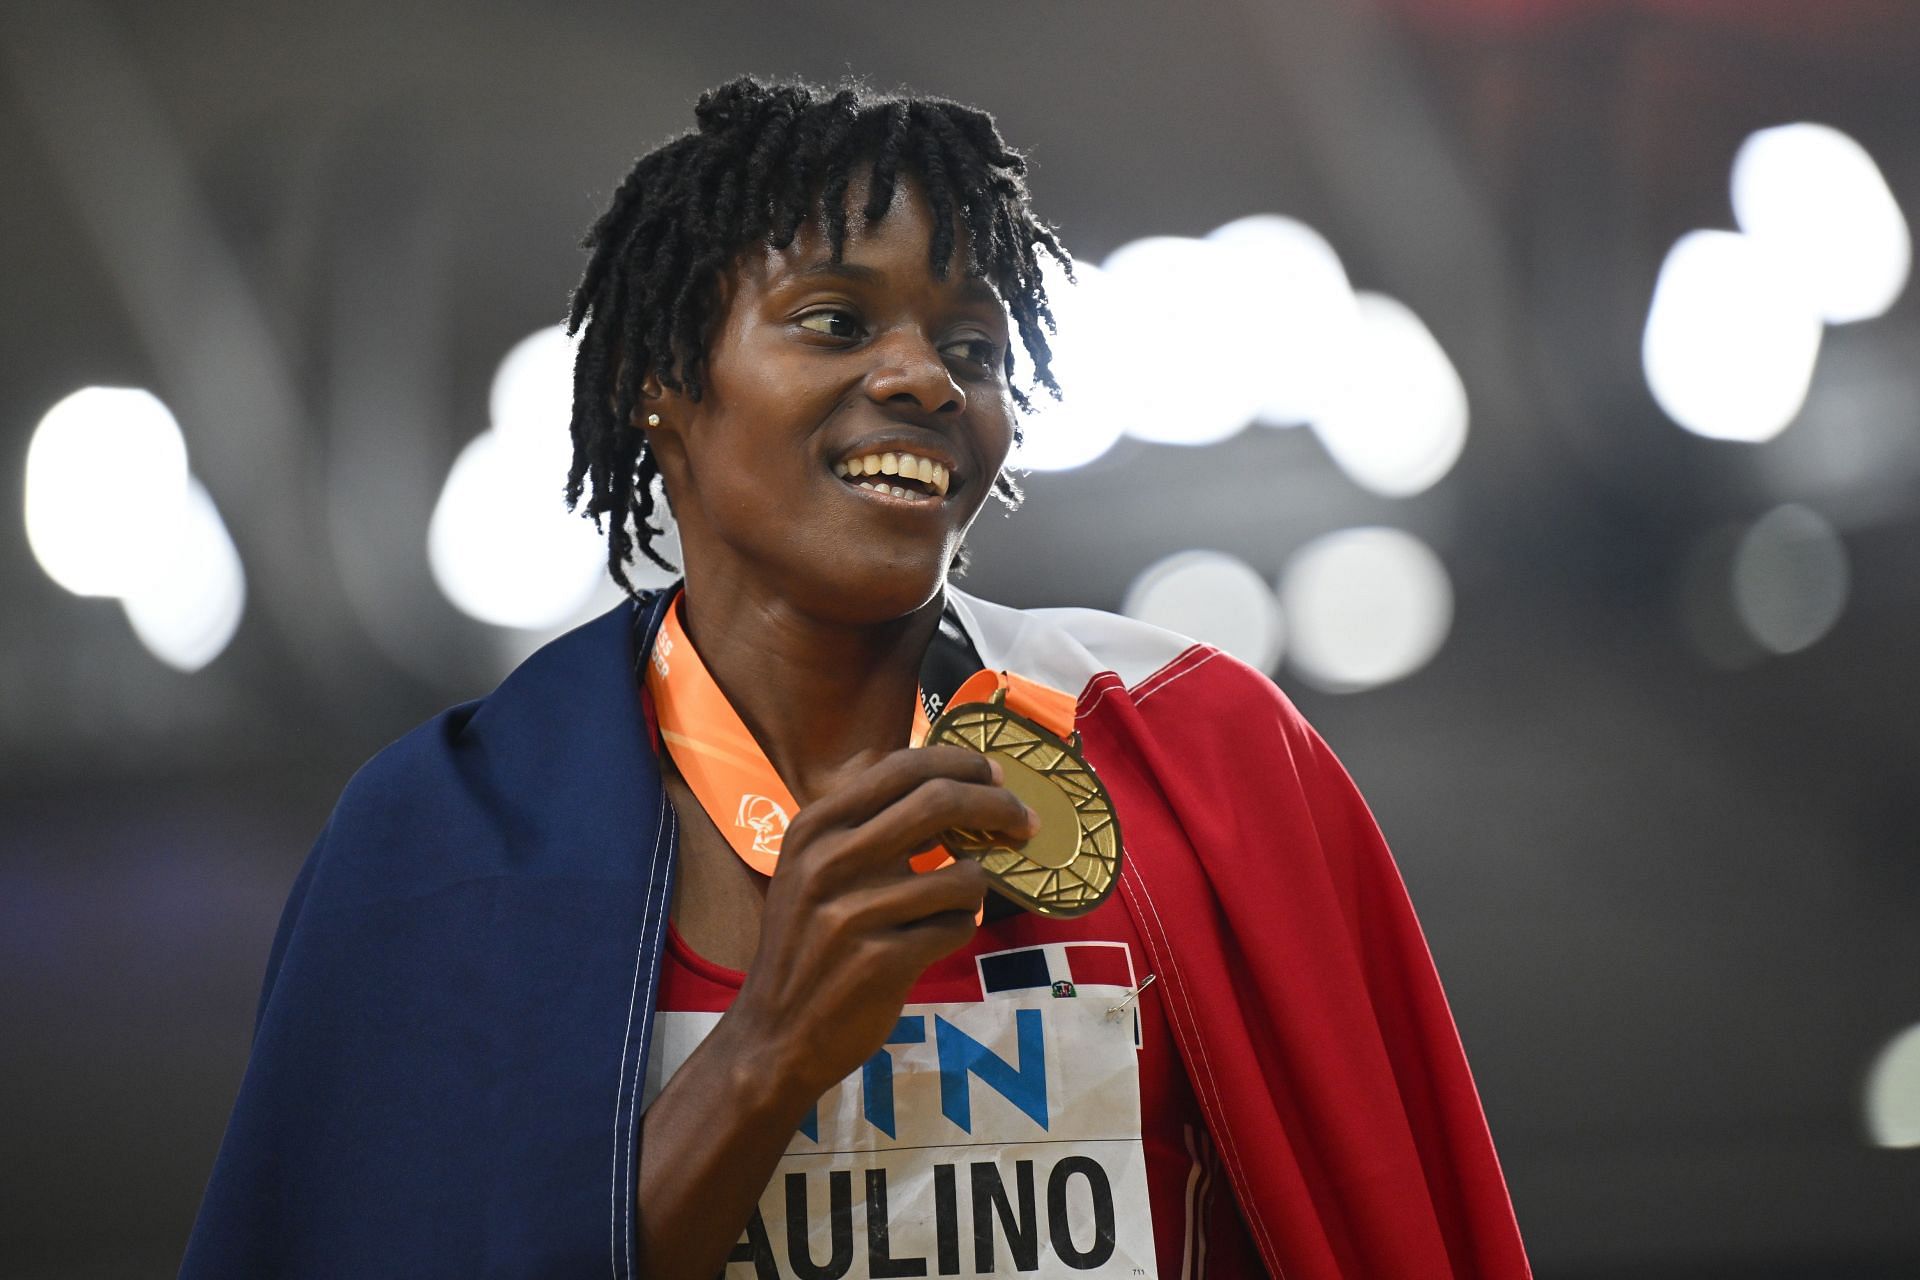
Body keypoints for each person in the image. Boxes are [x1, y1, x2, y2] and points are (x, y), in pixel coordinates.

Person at [181, 77, 1532, 1279]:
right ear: (663, 378)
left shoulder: (1201, 754)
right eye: (832, 321)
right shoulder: (442, 841)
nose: (923, 380)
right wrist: (765, 1054)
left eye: (973, 350)